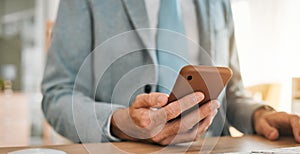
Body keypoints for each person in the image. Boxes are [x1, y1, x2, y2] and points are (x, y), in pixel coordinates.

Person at [42, 0, 300, 145]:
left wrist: (260, 115)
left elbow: (231, 94)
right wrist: (121, 124)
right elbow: (58, 93)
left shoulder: (220, 4)